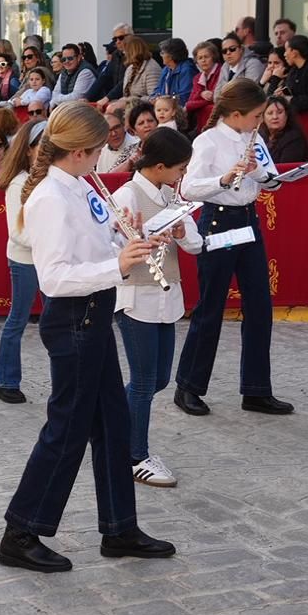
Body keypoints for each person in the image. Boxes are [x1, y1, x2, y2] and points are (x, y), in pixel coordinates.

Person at [0, 101, 173, 574]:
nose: (103, 158)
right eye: (99, 149)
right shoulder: (50, 198)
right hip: (74, 318)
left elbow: (95, 246)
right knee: (67, 428)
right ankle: (20, 532)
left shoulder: (79, 185)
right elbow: (55, 279)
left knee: (113, 424)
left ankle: (119, 527)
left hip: (94, 314)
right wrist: (117, 266)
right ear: (79, 151)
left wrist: (130, 242)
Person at [173, 80, 292, 418]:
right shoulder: (208, 141)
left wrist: (260, 173)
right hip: (220, 222)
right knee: (211, 306)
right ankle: (188, 386)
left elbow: (273, 182)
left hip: (248, 221)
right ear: (236, 114)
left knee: (260, 306)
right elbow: (189, 188)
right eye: (256, 115)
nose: (260, 121)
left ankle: (256, 389)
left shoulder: (254, 138)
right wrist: (224, 179)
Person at [112, 128, 203, 488]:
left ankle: (109, 424)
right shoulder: (126, 194)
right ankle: (135, 456)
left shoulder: (171, 195)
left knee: (159, 379)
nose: (183, 175)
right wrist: (147, 233)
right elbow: (113, 245)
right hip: (136, 298)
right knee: (144, 381)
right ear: (161, 166)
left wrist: (181, 233)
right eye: (180, 168)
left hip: (167, 296)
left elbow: (196, 244)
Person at [0, 118, 44, 405]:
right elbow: (17, 232)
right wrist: (51, 242)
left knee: (55, 319)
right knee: (18, 318)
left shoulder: (48, 177)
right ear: (29, 149)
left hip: (47, 258)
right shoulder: (19, 183)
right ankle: (5, 380)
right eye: (42, 145)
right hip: (25, 259)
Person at [259, 96, 308, 164]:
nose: (275, 117)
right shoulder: (259, 134)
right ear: (263, 117)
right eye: (270, 113)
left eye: (280, 112)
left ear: (287, 115)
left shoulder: (294, 139)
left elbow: (286, 168)